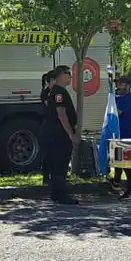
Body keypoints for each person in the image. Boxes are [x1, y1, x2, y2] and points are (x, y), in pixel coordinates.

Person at [41, 65, 79, 204]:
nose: (70, 76)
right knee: (61, 165)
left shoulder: (55, 91)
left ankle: (56, 193)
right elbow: (61, 113)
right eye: (68, 73)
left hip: (53, 132)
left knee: (57, 164)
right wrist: (71, 134)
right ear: (60, 76)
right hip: (59, 134)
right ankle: (62, 195)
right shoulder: (59, 91)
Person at [111, 77, 131, 198]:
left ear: (127, 86)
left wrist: (110, 105)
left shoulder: (130, 99)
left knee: (127, 163)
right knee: (118, 159)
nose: (118, 87)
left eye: (120, 84)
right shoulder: (119, 99)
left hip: (128, 134)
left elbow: (118, 112)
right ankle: (116, 181)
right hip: (119, 133)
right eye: (117, 84)